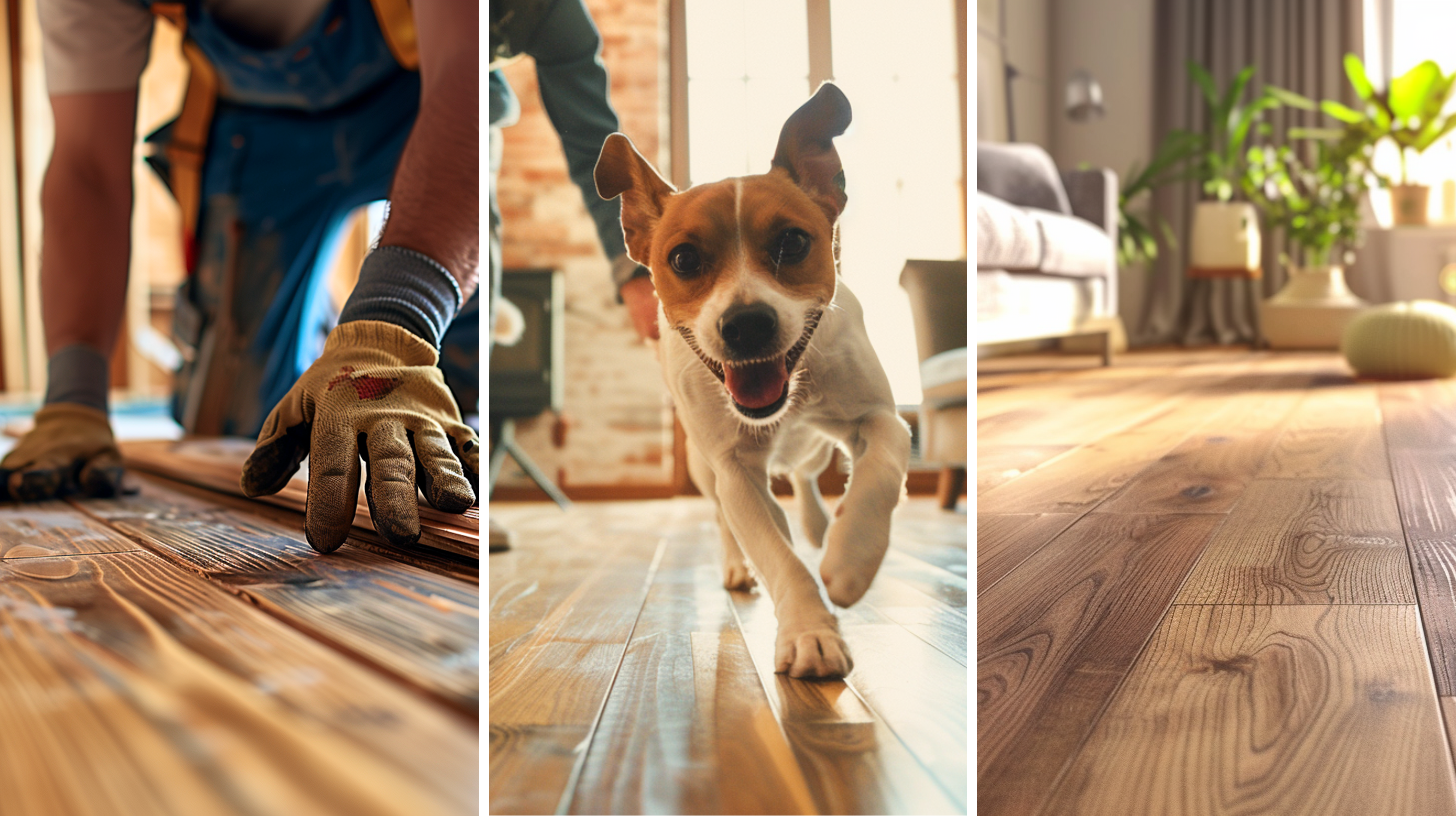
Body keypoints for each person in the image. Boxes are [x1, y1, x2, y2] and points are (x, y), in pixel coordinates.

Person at [0, 0, 480, 553]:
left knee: (448, 373)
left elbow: (463, 80)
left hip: (422, 95)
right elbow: (88, 163)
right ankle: (328, 346)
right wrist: (74, 396)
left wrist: (393, 328)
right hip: (261, 127)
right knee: (248, 436)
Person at [487, 0, 658, 550]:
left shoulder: (553, 12)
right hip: (368, 80)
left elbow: (594, 145)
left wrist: (635, 274)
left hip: (474, 108)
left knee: (475, 277)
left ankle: (462, 496)